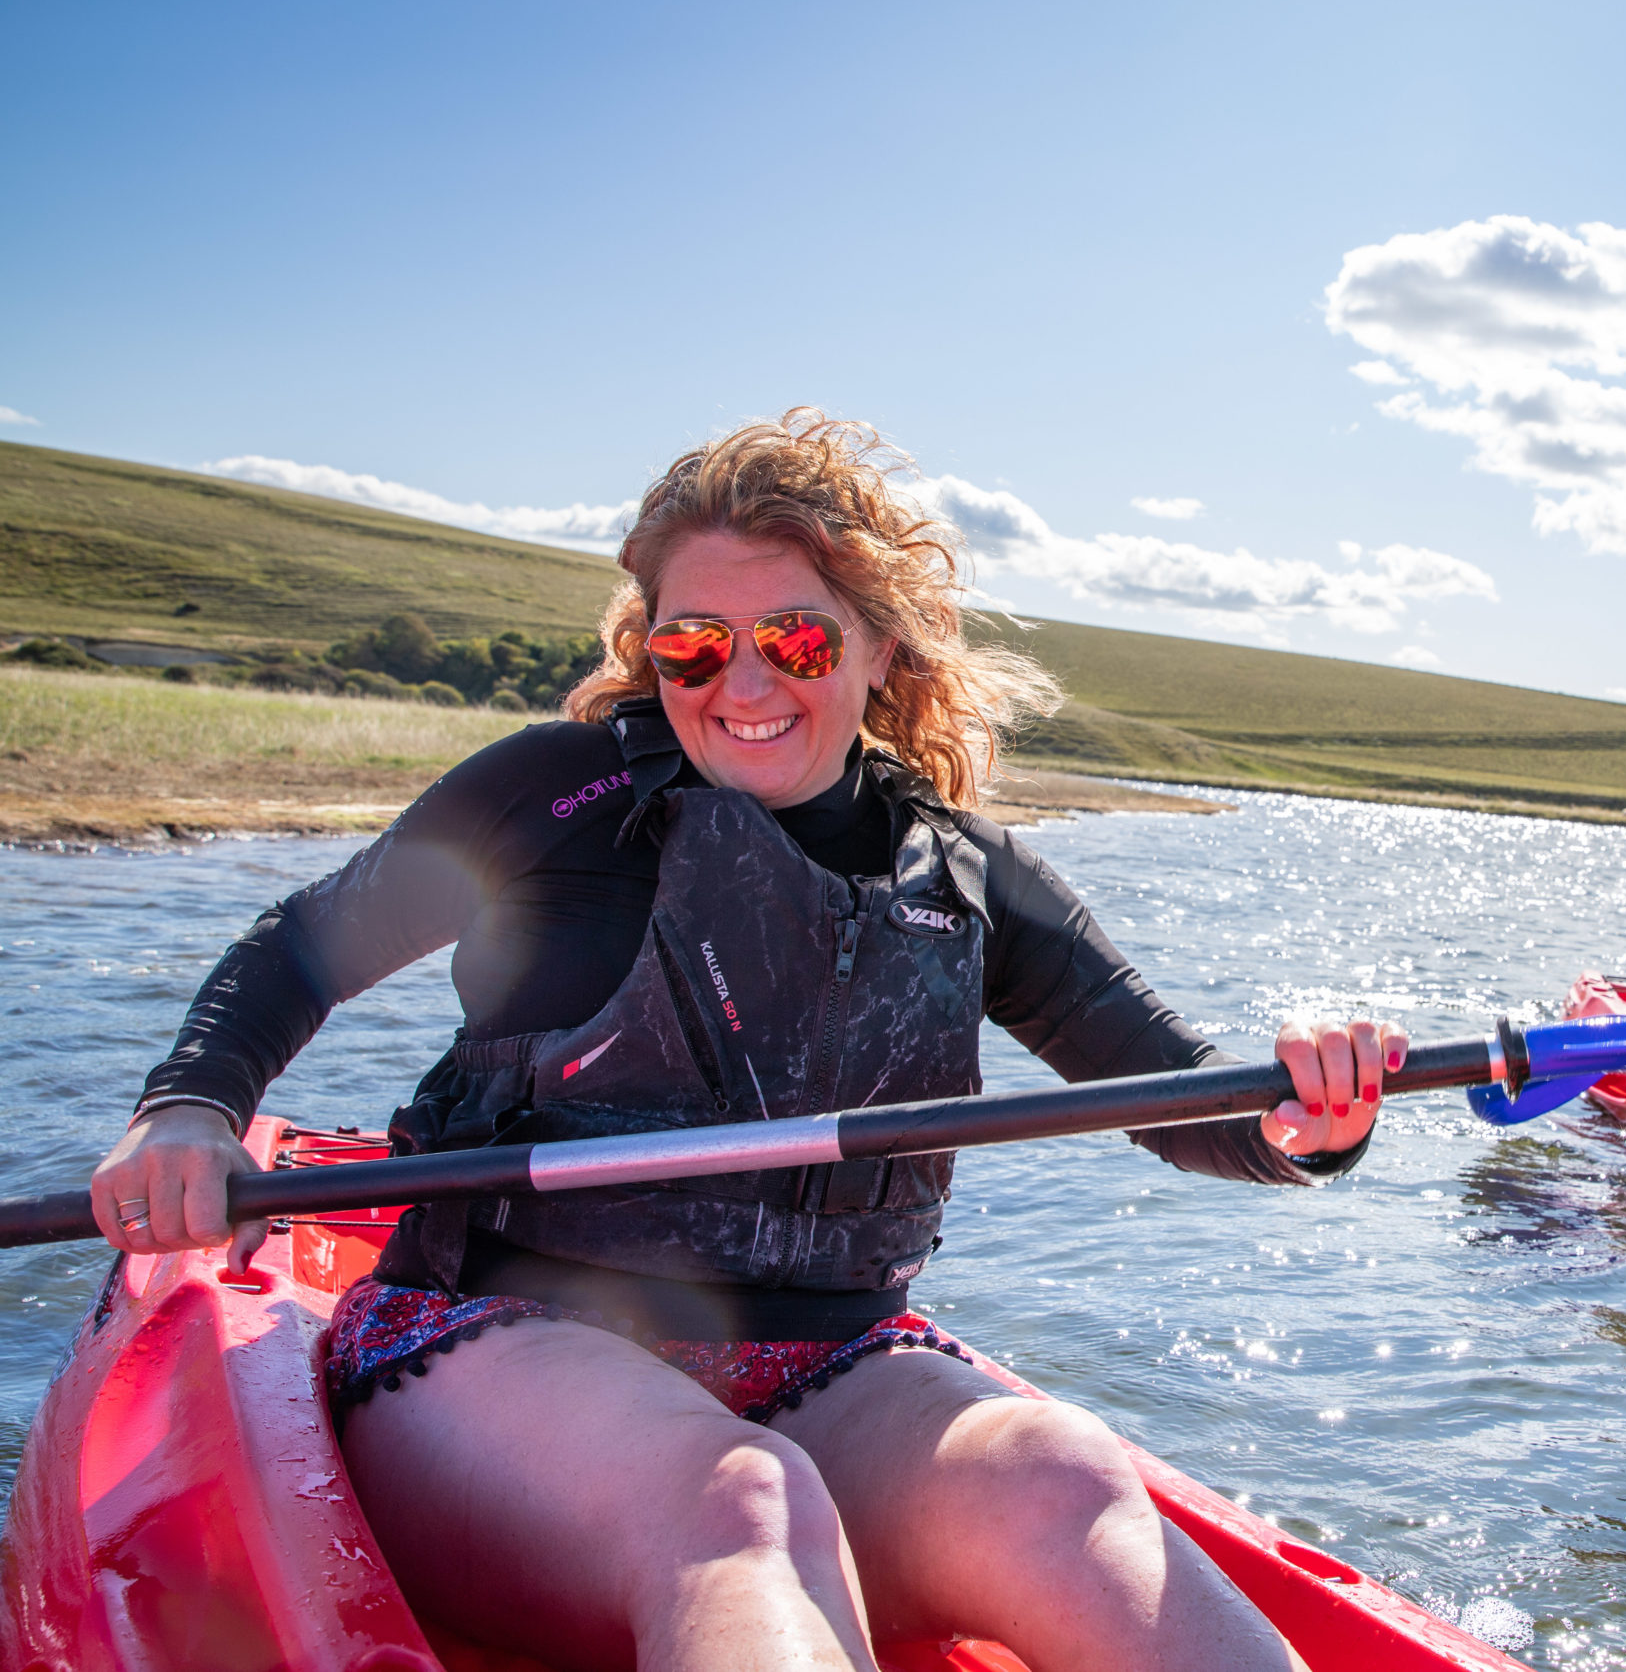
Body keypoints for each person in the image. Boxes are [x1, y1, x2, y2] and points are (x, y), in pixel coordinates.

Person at [89, 411, 1405, 1672]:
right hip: (495, 1336)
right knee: (743, 1499)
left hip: (829, 1362)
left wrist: (1305, 1114)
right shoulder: (553, 795)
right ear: (654, 649)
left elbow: (1176, 1088)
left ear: (882, 646)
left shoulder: (971, 874)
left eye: (794, 636)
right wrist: (192, 1103)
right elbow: (304, 943)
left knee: (1062, 1475)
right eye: (694, 644)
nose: (746, 681)